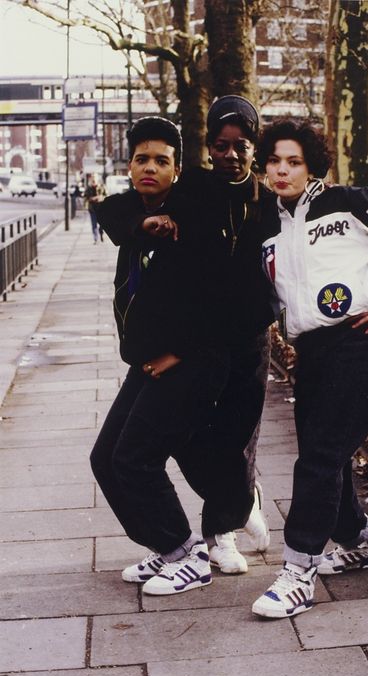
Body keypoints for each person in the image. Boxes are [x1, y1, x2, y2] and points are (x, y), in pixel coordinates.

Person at [251, 118, 368, 619]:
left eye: (293, 161)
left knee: (320, 457)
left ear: (311, 164)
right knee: (321, 454)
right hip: (311, 350)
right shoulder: (270, 220)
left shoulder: (349, 203)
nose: (282, 170)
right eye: (274, 160)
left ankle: (297, 572)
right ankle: (360, 541)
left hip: (359, 343)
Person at [122, 96, 276, 578]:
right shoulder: (193, 189)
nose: (229, 155)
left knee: (235, 439)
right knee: (189, 436)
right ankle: (239, 499)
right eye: (220, 145)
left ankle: (220, 533)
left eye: (241, 146)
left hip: (247, 341)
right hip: (203, 341)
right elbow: (130, 208)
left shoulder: (269, 202)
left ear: (254, 148)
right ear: (208, 146)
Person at [90, 116, 234, 596]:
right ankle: (162, 546)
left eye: (161, 160)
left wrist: (178, 352)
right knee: (104, 458)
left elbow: (221, 302)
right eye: (141, 159)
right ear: (129, 166)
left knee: (135, 458)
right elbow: (111, 210)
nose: (149, 167)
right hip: (151, 361)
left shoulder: (191, 216)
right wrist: (140, 223)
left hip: (193, 361)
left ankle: (186, 554)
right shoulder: (135, 212)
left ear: (177, 169)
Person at [84, 176, 106, 243]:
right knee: (94, 225)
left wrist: (100, 197)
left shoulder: (102, 187)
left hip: (101, 209)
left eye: (95, 180)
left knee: (102, 224)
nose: (94, 182)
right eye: (92, 180)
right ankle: (96, 238)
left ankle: (101, 234)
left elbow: (106, 196)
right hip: (92, 209)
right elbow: (86, 198)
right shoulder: (88, 189)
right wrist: (92, 198)